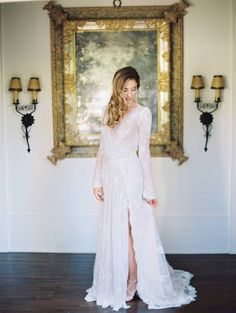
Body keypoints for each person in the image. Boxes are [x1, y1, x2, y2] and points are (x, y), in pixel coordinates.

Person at [84, 66, 197, 311]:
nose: (130, 94)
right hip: (111, 176)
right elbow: (102, 149)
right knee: (117, 230)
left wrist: (149, 190)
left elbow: (144, 152)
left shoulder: (142, 113)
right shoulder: (108, 111)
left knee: (131, 232)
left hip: (131, 175)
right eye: (125, 89)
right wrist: (97, 180)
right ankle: (121, 278)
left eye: (134, 89)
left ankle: (133, 281)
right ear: (117, 88)